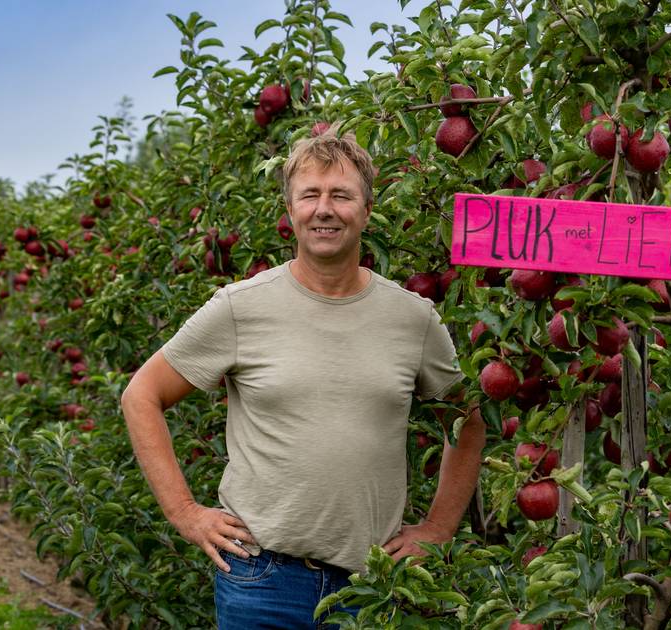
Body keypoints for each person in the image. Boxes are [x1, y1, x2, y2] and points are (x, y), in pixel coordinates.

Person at [120, 127, 485, 629]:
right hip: (261, 579)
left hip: (371, 585)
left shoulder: (412, 319)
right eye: (310, 195)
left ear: (367, 209)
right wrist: (186, 512)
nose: (324, 209)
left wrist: (440, 526)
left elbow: (467, 418)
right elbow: (142, 395)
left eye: (342, 195)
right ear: (290, 211)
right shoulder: (240, 308)